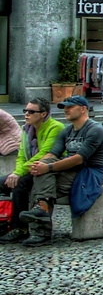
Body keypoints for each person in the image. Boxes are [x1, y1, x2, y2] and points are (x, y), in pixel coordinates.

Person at [17, 96, 103, 247]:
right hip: (69, 170)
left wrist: (48, 167)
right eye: (64, 107)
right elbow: (53, 153)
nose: (66, 110)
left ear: (83, 109)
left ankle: (41, 230)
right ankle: (42, 209)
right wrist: (39, 164)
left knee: (42, 182)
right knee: (41, 174)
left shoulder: (96, 130)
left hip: (88, 173)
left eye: (70, 107)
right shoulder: (67, 131)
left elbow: (79, 159)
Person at [2, 100, 62, 245]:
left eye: (31, 111)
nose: (26, 114)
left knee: (20, 184)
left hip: (51, 170)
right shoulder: (26, 129)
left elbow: (44, 153)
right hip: (30, 168)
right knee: (2, 182)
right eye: (25, 111)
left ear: (43, 114)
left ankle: (20, 228)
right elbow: (22, 155)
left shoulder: (56, 127)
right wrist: (17, 172)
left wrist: (19, 174)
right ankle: (4, 221)